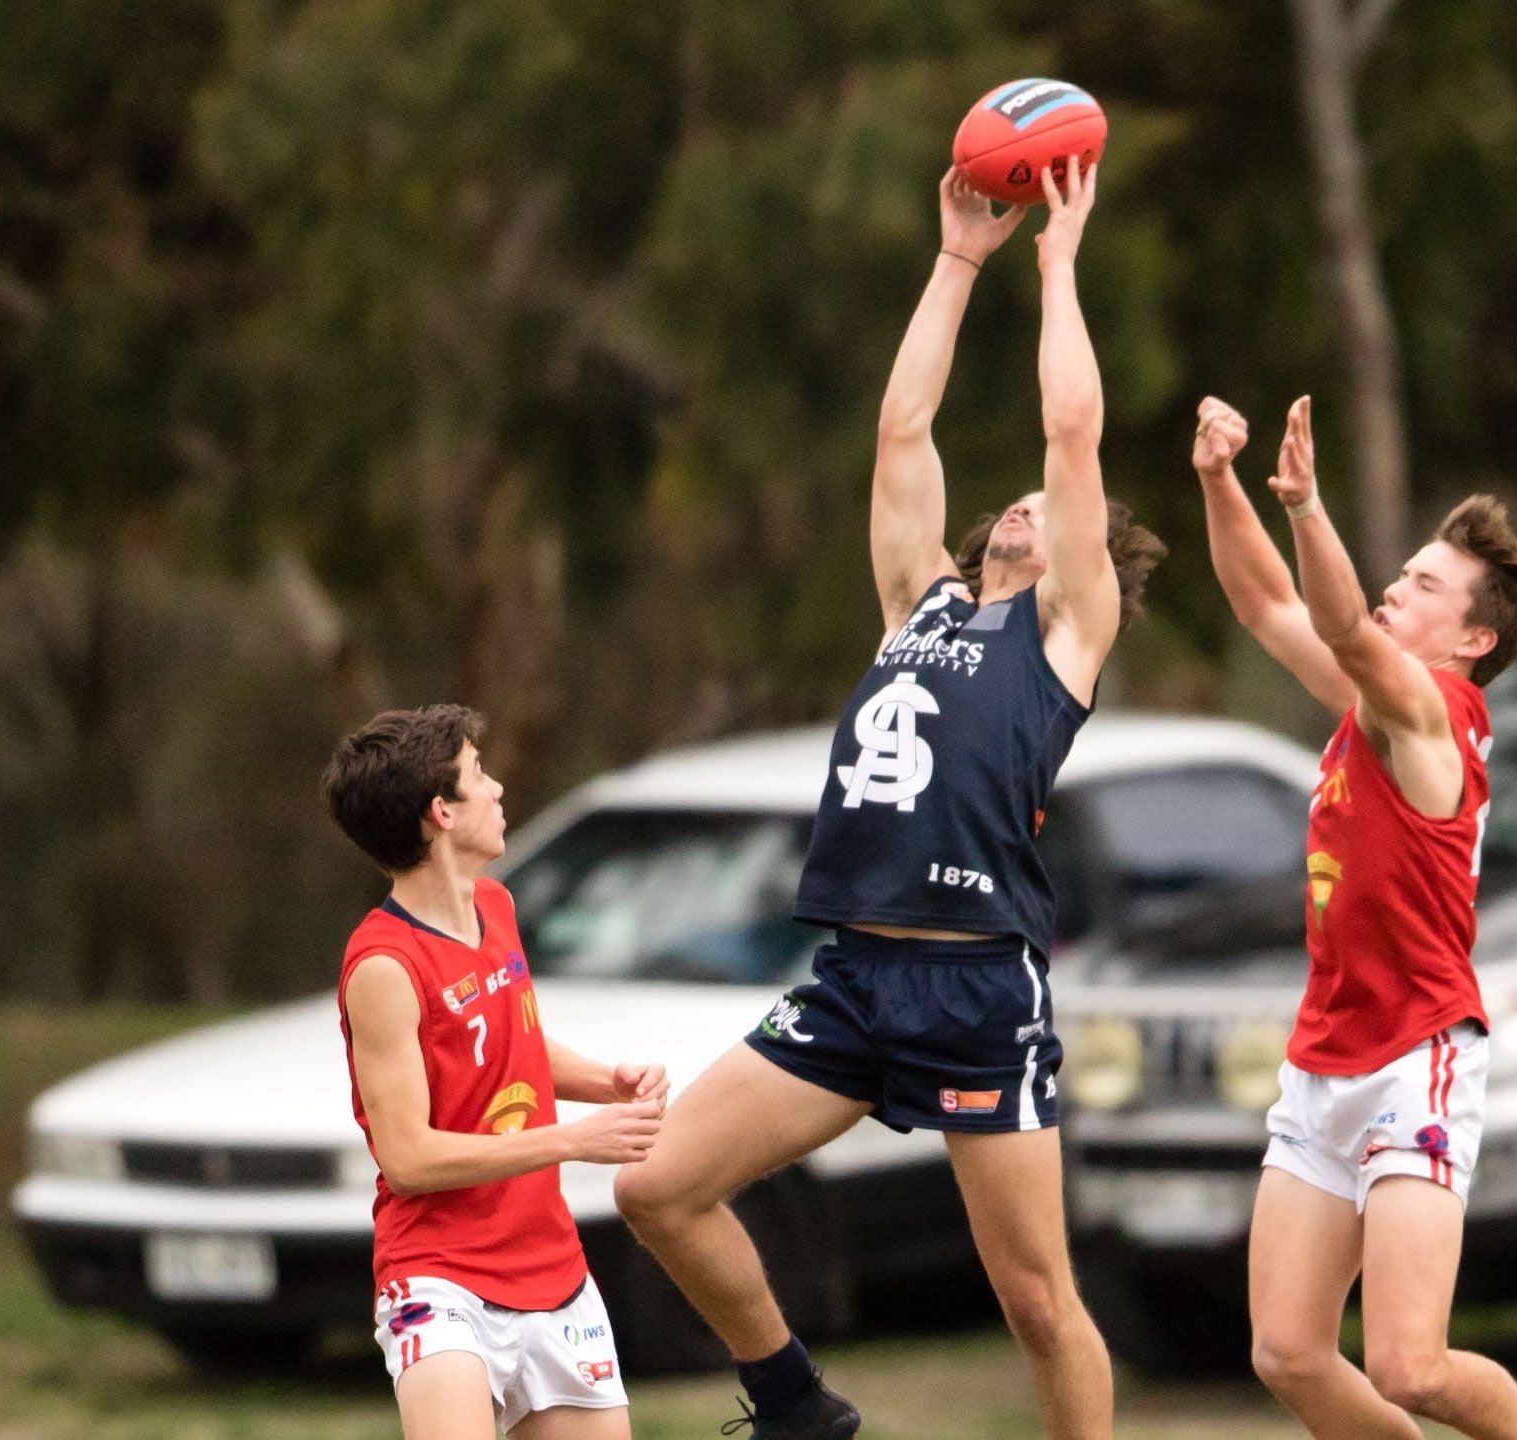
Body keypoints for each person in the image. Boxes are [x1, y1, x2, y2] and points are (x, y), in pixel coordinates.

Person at [611, 158, 1163, 1440]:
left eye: (1051, 508)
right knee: (657, 1187)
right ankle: (794, 1403)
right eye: (1018, 500)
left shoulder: (1066, 632)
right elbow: (902, 432)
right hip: (858, 976)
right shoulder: (917, 604)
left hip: (975, 984)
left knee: (1035, 1302)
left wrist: (1059, 263)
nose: (1026, 502)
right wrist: (958, 259)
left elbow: (1071, 428)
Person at [1192, 395, 1517, 1440]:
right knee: (1286, 1352)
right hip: (1327, 1055)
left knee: (1410, 1366)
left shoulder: (1434, 711)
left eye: (1421, 586)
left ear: (1473, 637)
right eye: (1401, 573)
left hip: (1416, 1054)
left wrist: (1306, 506)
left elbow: (1329, 621)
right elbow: (1265, 604)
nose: (1393, 590)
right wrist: (1218, 480)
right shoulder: (1373, 701)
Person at [325, 704, 673, 1440]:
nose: (498, 789)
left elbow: (513, 1043)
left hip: (551, 1267)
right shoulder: (384, 966)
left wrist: (608, 1083)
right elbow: (409, 1159)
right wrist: (573, 1140)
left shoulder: (496, 905)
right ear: (441, 813)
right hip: (440, 1277)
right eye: (479, 774)